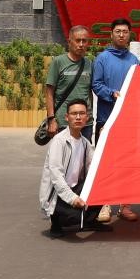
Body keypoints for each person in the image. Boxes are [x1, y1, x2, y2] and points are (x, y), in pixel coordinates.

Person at [90, 18, 139, 223]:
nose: (121, 35)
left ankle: (125, 204)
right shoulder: (102, 59)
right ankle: (104, 204)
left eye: (125, 31)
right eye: (118, 31)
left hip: (128, 121)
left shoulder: (134, 60)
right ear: (111, 34)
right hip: (106, 119)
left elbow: (139, 87)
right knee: (105, 163)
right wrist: (112, 94)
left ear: (129, 35)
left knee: (127, 163)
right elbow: (96, 84)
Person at [39, 100, 107, 237]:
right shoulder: (59, 141)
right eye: (74, 114)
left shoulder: (85, 143)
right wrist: (73, 199)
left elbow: (96, 168)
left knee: (104, 182)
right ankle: (57, 221)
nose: (78, 117)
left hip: (75, 189)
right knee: (70, 221)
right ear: (66, 117)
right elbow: (56, 177)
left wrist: (105, 138)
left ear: (87, 118)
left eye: (82, 113)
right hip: (58, 196)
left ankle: (88, 221)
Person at [44, 26, 93, 137]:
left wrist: (90, 114)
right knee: (65, 153)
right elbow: (49, 93)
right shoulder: (58, 62)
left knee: (85, 154)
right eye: (77, 40)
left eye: (84, 41)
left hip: (85, 123)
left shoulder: (89, 63)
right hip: (63, 121)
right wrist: (51, 119)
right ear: (69, 42)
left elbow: (89, 92)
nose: (81, 44)